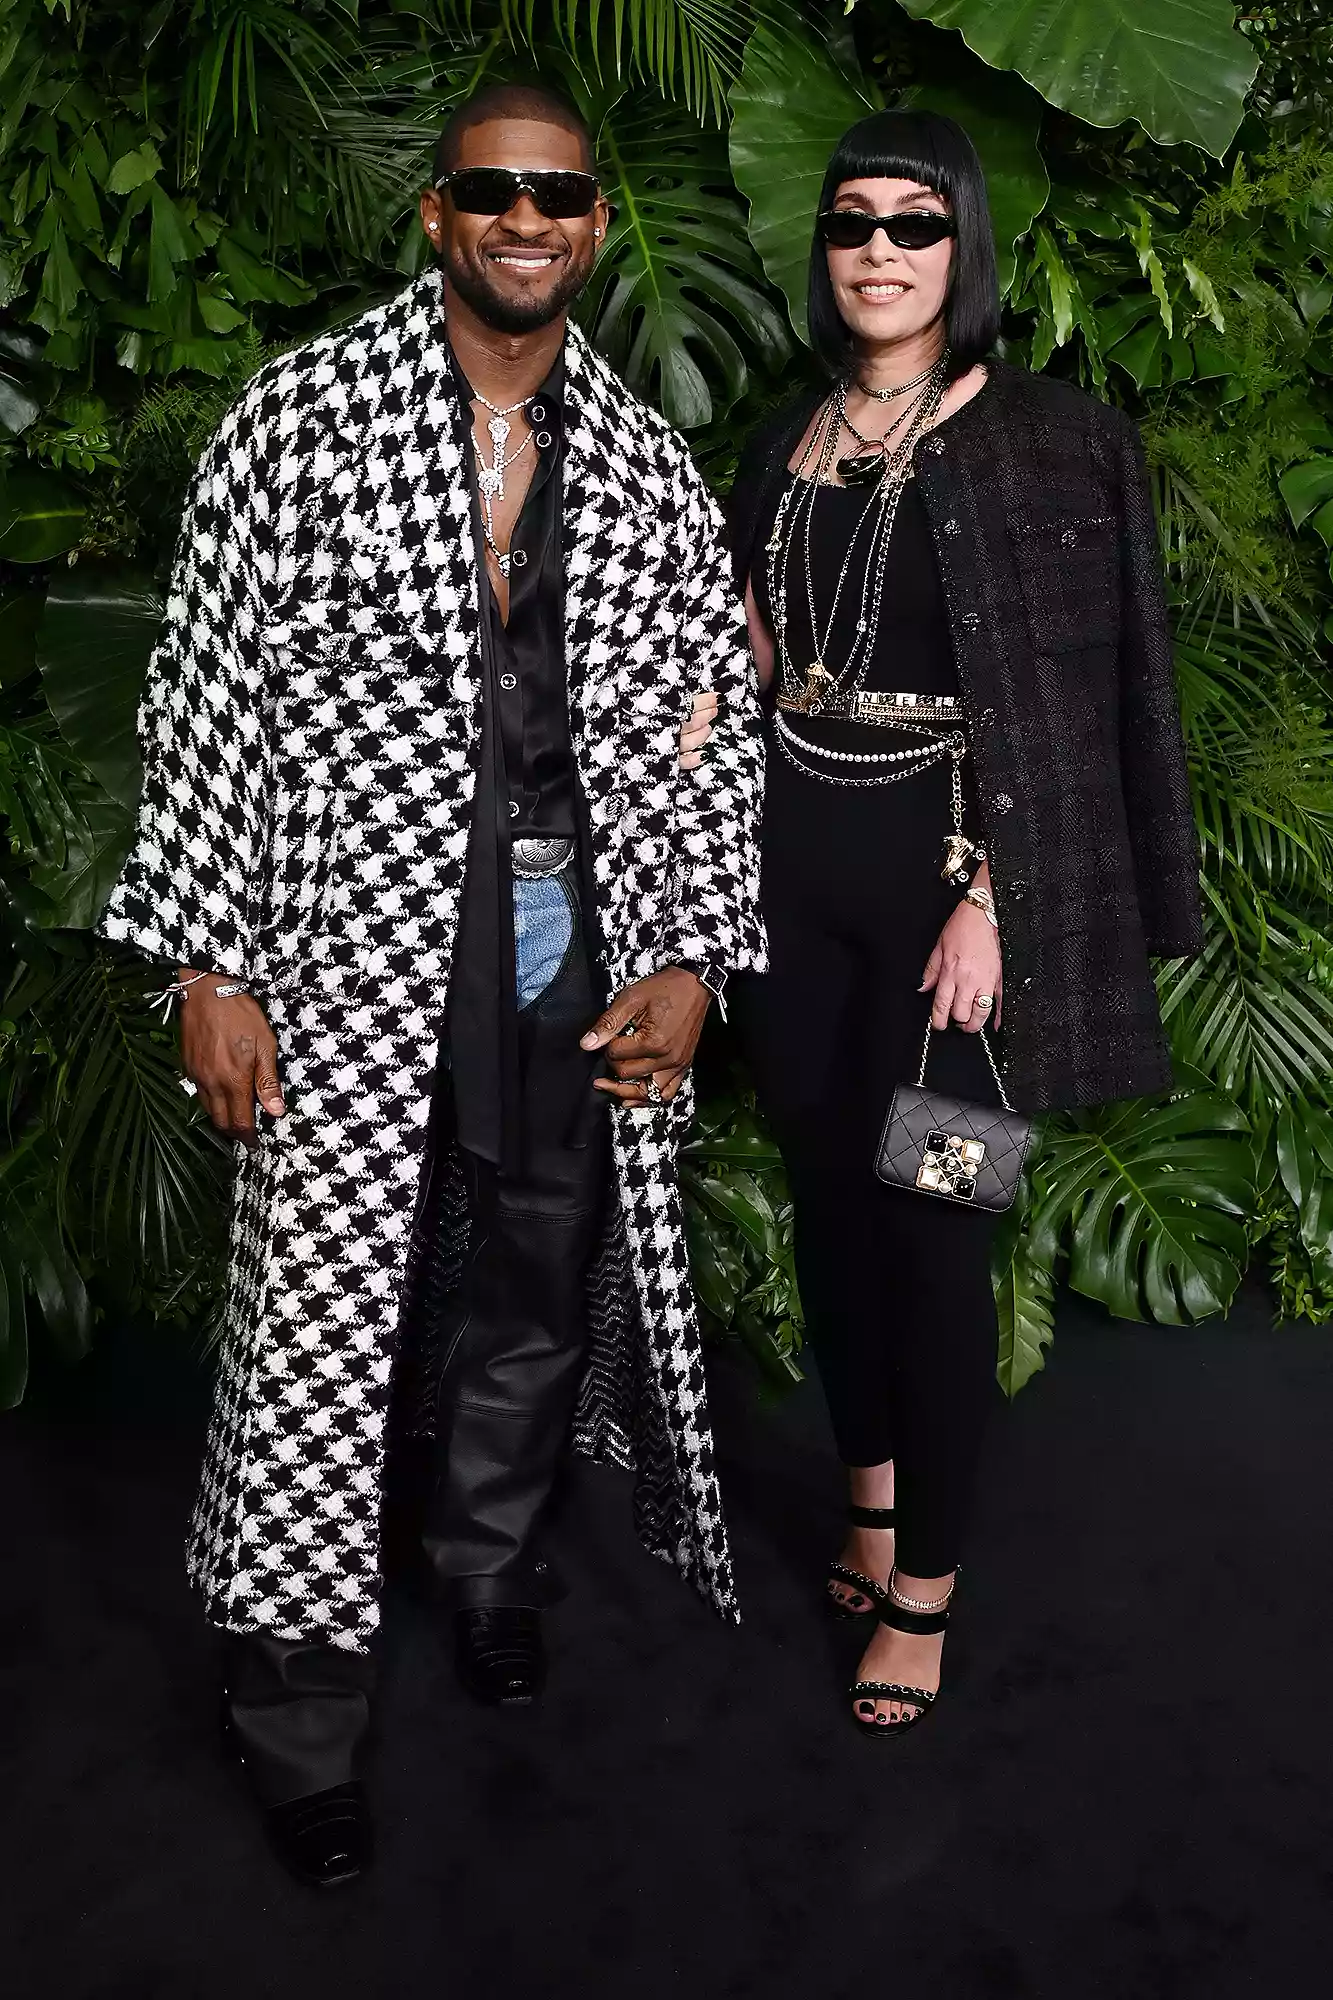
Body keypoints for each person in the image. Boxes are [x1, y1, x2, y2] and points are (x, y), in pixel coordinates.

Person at [101, 82, 764, 1886]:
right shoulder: (302, 416)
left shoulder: (639, 455)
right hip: (346, 923)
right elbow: (206, 697)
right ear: (438, 215)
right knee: (320, 1306)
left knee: (545, 1256)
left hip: (563, 924)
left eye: (558, 192)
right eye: (494, 189)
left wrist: (692, 947)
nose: (526, 216)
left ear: (597, 228)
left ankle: (485, 1565)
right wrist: (212, 957)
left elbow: (710, 738)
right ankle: (298, 1715)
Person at [712, 108, 1201, 1738]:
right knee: (836, 1224)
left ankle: (926, 1581)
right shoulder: (784, 439)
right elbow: (753, 660)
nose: (876, 252)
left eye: (913, 226)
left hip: (951, 932)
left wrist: (996, 898)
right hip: (793, 908)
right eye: (851, 222)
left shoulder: (1055, 444)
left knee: (940, 1230)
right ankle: (864, 1506)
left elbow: (1079, 704)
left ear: (963, 246)